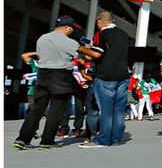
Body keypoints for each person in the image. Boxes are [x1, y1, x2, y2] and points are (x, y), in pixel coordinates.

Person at [14, 16, 101, 150]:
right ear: (66, 27)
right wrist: (91, 47)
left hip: (43, 75)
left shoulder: (42, 38)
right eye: (72, 28)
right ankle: (47, 141)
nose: (72, 30)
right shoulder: (69, 42)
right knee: (56, 109)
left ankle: (22, 139)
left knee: (37, 109)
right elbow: (92, 55)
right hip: (60, 76)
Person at [81, 12, 131, 148]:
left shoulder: (102, 34)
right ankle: (116, 138)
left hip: (106, 75)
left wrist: (82, 48)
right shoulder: (124, 34)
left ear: (99, 21)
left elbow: (96, 54)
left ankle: (103, 139)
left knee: (106, 109)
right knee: (119, 110)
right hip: (123, 75)